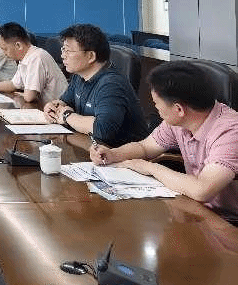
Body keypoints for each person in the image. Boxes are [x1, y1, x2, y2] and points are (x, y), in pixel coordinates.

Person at [91, 61, 238, 219]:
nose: (156, 108)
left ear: (179, 109)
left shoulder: (230, 132)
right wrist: (112, 154)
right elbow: (145, 147)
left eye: (156, 103)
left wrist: (150, 168)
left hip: (229, 220)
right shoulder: (179, 121)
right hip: (198, 209)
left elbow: (201, 190)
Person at [44, 23, 147, 146]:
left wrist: (67, 116)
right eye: (63, 49)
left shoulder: (111, 84)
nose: (63, 55)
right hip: (91, 147)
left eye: (68, 50)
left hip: (121, 153)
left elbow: (103, 130)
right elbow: (65, 102)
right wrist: (53, 107)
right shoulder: (79, 75)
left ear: (91, 56)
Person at [0, 22, 67, 102]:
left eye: (5, 49)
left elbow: (29, 97)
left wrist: (21, 94)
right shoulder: (25, 58)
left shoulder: (36, 57)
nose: (5, 53)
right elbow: (13, 84)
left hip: (56, 109)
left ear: (18, 45)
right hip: (44, 107)